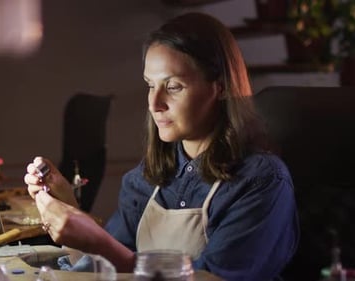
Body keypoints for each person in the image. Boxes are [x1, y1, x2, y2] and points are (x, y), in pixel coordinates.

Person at [24, 11, 299, 280]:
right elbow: (107, 268)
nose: (154, 104)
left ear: (220, 87)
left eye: (174, 86)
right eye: (149, 85)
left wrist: (99, 243)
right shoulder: (145, 178)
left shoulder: (261, 181)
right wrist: (70, 209)